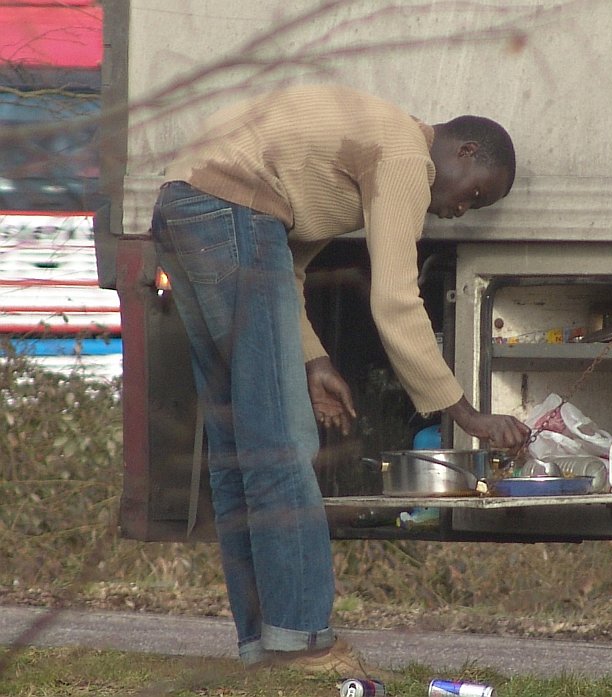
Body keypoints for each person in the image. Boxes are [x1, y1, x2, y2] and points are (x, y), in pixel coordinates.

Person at [149, 83, 531, 675]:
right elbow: (396, 300)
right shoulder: (407, 154)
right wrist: (466, 414)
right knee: (282, 442)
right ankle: (305, 642)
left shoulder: (363, 150)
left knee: (239, 445)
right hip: (232, 209)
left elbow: (289, 266)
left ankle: (263, 644)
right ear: (465, 151)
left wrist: (315, 361)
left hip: (185, 204)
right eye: (474, 195)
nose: (460, 210)